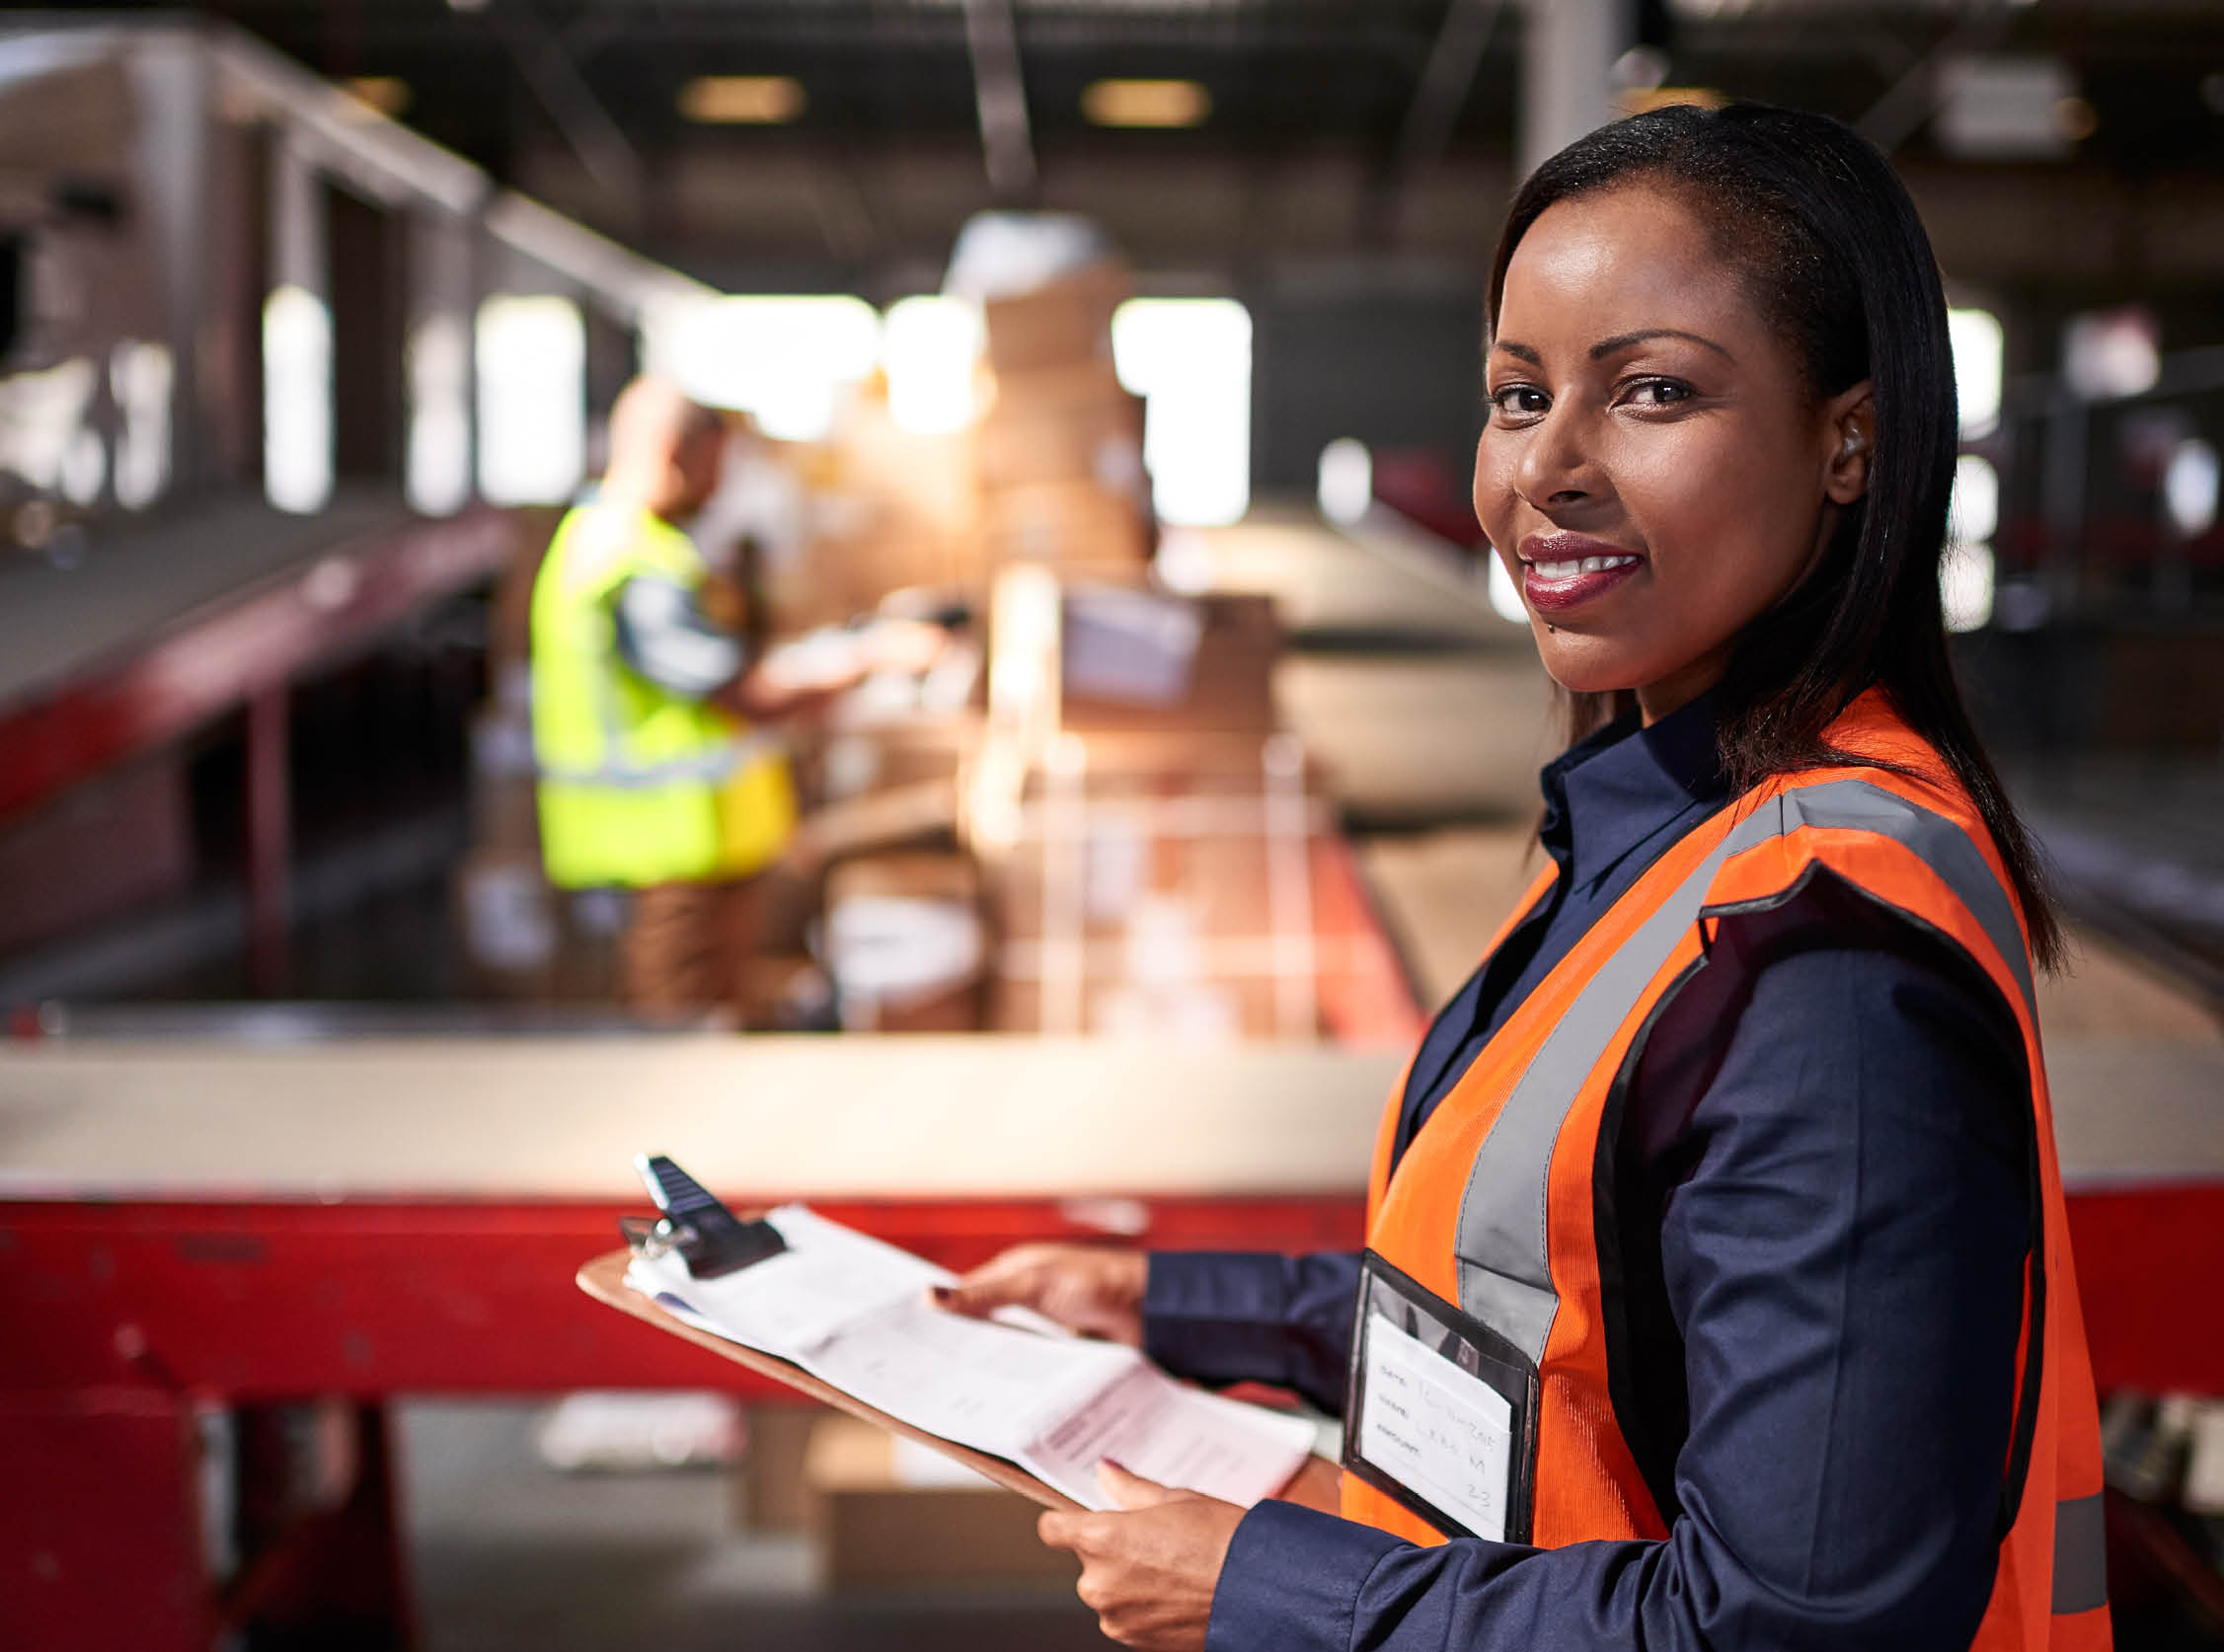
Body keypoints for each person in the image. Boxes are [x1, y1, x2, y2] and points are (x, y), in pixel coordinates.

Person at [943, 104, 2109, 1652]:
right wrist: (1159, 1302)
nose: (1545, 469)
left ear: (1851, 441)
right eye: (1516, 393)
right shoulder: (1666, 832)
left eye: (1651, 393)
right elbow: (1531, 1303)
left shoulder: (1820, 968)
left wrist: (1268, 1589)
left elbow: (1792, 1626)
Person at [530, 377, 803, 1019]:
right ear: (668, 451)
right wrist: (862, 660)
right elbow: (736, 691)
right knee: (675, 1040)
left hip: (681, 856)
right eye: (712, 466)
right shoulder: (631, 561)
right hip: (659, 863)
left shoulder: (629, 545)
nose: (717, 488)